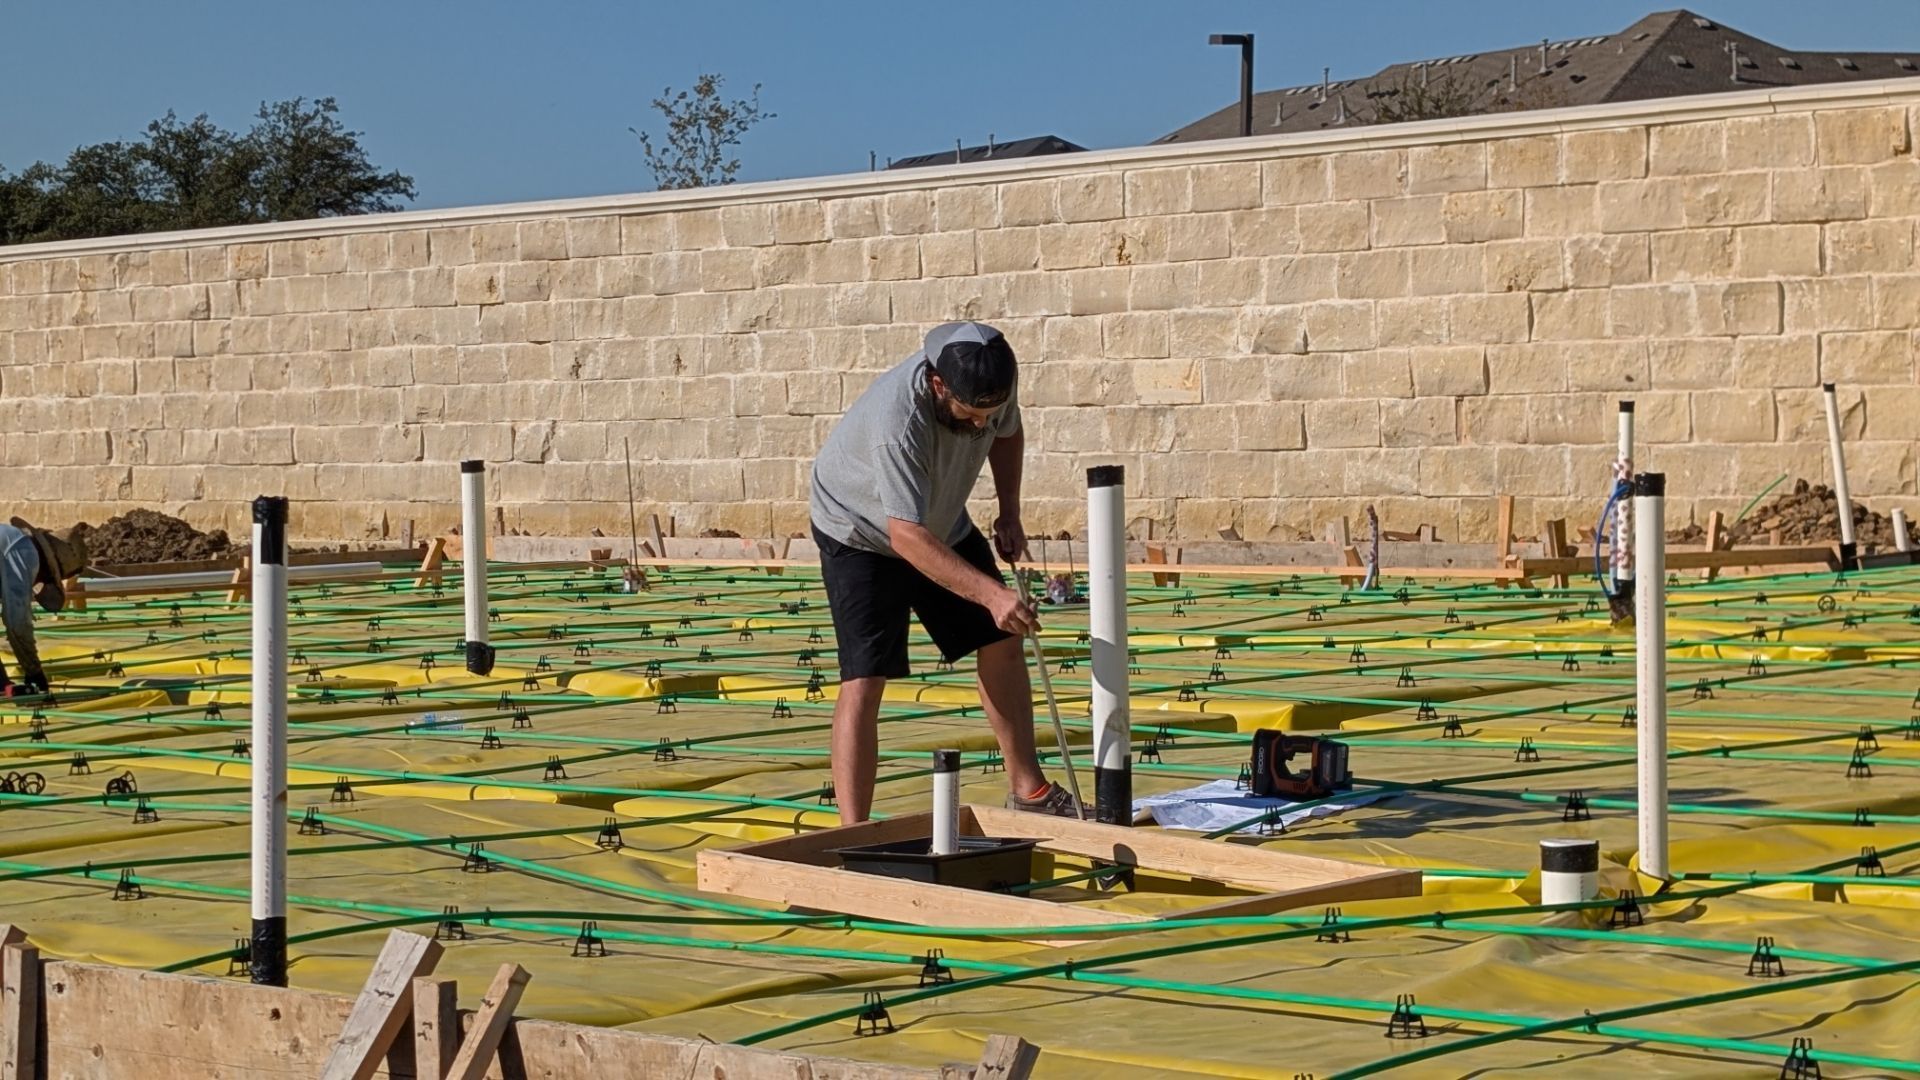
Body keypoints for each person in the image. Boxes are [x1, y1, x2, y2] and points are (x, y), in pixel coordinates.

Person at [809, 321, 1079, 823]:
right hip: (860, 532)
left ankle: (1029, 791)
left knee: (1001, 639)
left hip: (938, 520)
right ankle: (852, 830)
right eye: (969, 415)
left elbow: (1008, 432)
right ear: (938, 385)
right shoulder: (898, 421)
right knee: (866, 676)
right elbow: (906, 537)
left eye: (987, 413)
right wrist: (993, 596)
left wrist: (1011, 510)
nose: (980, 425)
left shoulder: (995, 376)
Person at [0, 517, 88, 696]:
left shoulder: (11, 539)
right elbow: (17, 623)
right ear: (48, 572)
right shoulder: (24, 552)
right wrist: (34, 671)